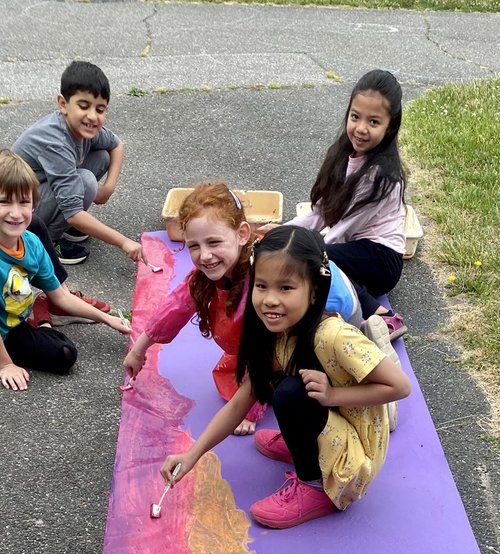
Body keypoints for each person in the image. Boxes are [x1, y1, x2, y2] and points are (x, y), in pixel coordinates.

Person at [160, 226, 410, 530]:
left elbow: (399, 385)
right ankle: (304, 446)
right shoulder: (274, 332)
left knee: (291, 392)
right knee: (280, 383)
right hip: (332, 421)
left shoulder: (333, 335)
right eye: (262, 286)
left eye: (286, 288)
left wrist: (334, 396)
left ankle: (316, 486)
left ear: (314, 290)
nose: (270, 300)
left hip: (354, 458)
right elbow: (242, 400)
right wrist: (191, 455)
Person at [124, 181, 363, 436]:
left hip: (338, 318)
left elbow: (264, 346)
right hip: (316, 310)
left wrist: (251, 409)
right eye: (194, 245)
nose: (205, 255)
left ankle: (359, 381)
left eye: (214, 242)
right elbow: (175, 308)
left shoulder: (259, 274)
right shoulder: (215, 270)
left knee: (298, 386)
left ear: (242, 234)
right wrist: (139, 350)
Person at [0, 150, 130, 391]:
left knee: (59, 343)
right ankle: (43, 318)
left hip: (17, 315)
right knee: (65, 355)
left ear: (34, 202)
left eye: (24, 202)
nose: (16, 213)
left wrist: (108, 320)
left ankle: (41, 312)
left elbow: (61, 295)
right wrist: (5, 364)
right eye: (4, 201)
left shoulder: (31, 242)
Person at [286, 69, 408, 337]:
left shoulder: (381, 175)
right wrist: (282, 233)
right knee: (310, 256)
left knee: (316, 259)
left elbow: (340, 230)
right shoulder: (344, 153)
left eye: (374, 122)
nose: (361, 129)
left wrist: (306, 252)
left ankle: (382, 316)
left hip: (381, 259)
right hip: (357, 248)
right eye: (355, 117)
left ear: (390, 127)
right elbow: (320, 212)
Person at [12, 60, 145, 267]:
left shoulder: (84, 128)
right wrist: (124, 242)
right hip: (18, 210)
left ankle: (59, 223)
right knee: (86, 182)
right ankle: (48, 241)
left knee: (102, 156)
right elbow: (74, 214)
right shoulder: (55, 142)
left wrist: (108, 189)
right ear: (63, 104)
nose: (92, 116)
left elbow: (117, 145)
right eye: (84, 106)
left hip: (41, 188)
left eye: (100, 109)